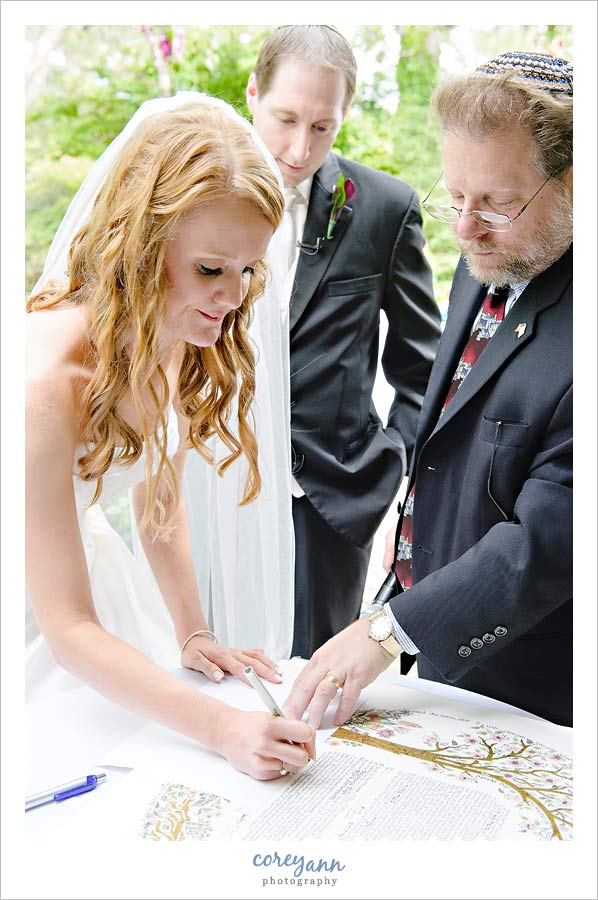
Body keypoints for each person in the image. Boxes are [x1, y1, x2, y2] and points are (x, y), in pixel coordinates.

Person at [25, 93, 314, 780]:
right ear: (139, 244)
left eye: (248, 271)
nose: (233, 299)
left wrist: (193, 631)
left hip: (86, 584)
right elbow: (67, 629)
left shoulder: (172, 335)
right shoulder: (43, 385)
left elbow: (159, 505)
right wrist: (222, 727)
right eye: (210, 269)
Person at [283, 51, 573, 728]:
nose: (465, 228)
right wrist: (409, 553)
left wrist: (388, 631)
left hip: (540, 687)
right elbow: (455, 423)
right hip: (447, 656)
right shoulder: (488, 258)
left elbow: (550, 538)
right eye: (456, 197)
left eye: (498, 203)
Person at [243, 24, 441, 659]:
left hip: (329, 504)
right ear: (252, 94)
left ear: (344, 116)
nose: (300, 148)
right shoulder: (196, 194)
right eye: (285, 119)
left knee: (314, 684)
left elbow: (422, 367)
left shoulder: (385, 208)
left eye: (323, 127)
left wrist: (389, 467)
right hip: (217, 487)